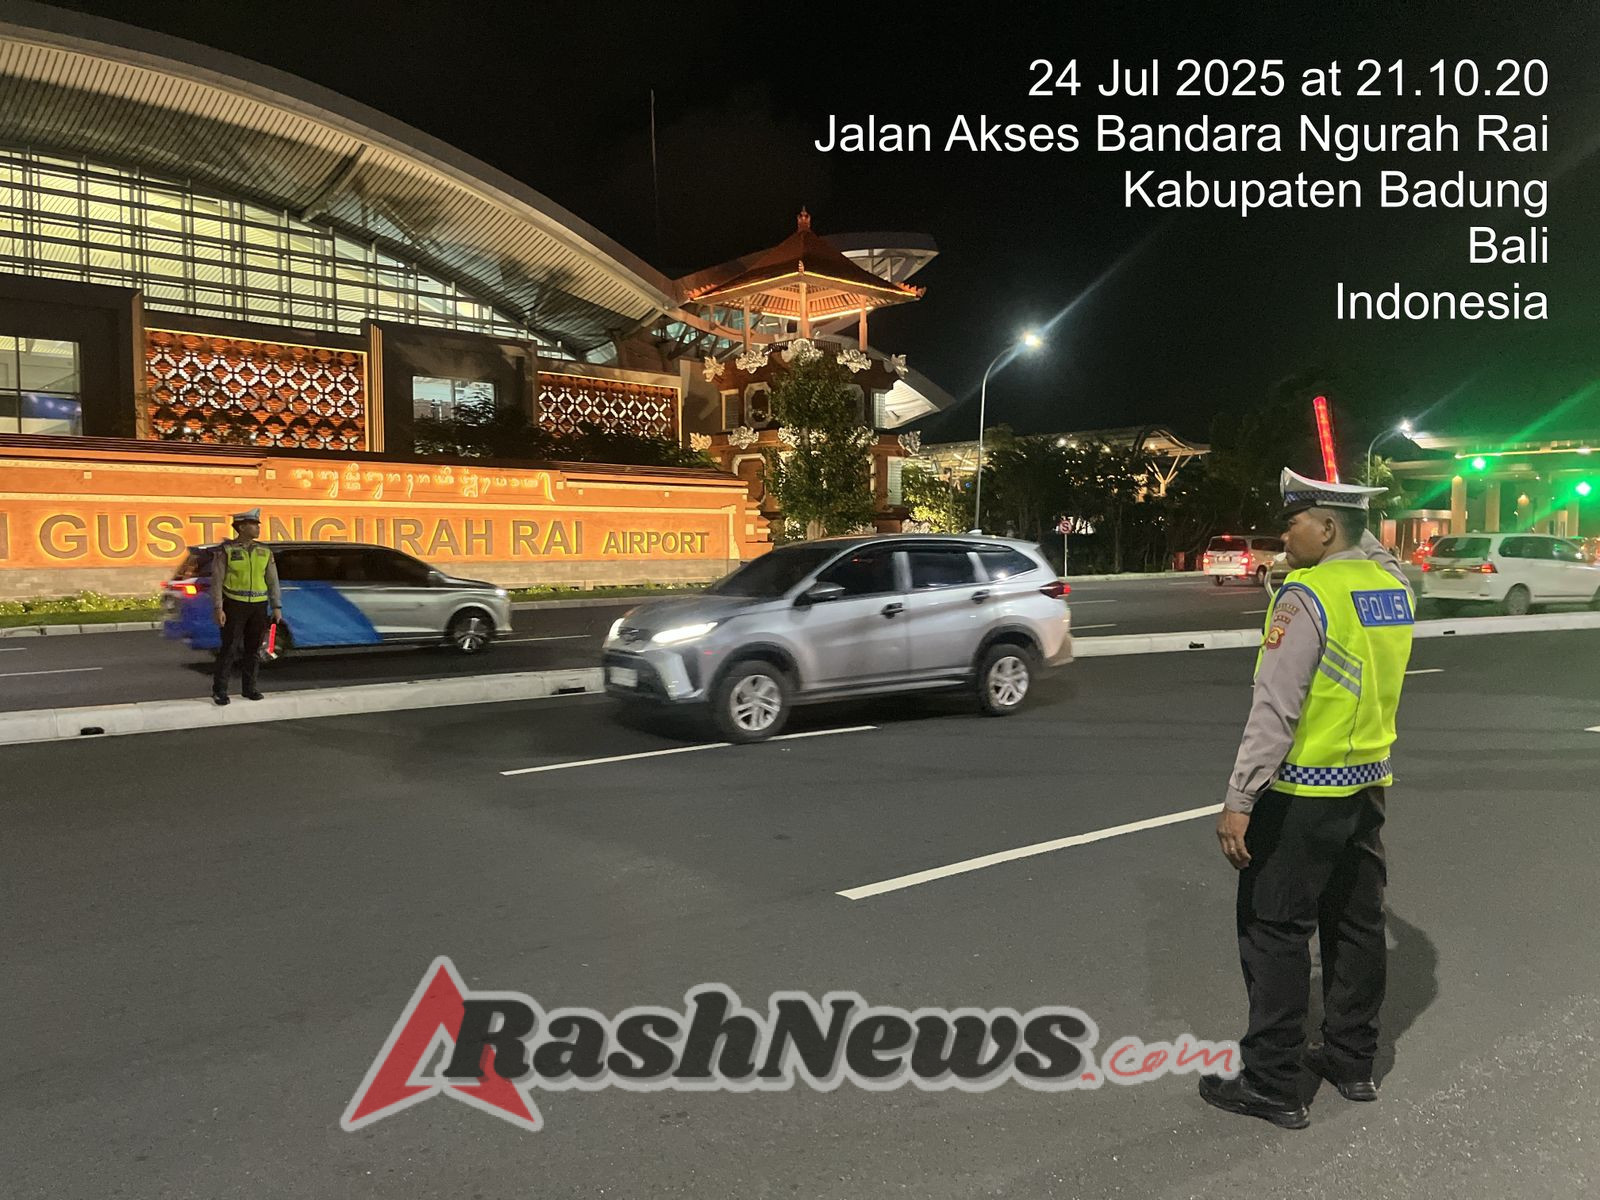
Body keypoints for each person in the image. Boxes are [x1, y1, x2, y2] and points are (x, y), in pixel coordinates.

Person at [1199, 468, 1415, 1130]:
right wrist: (1359, 522)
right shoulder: (1392, 587)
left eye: (1293, 523)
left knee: (1274, 932)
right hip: (1366, 788)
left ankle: (1273, 1083)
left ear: (1325, 527)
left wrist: (1240, 798)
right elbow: (1376, 550)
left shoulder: (1307, 595)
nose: (1284, 535)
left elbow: (1276, 707)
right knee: (1355, 925)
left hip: (1300, 793)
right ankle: (1352, 1061)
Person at [211, 508, 282, 705]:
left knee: (254, 649)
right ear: (241, 527)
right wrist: (218, 608)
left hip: (258, 606)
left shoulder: (264, 551)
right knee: (229, 649)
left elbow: (272, 580)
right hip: (234, 604)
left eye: (257, 525)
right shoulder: (226, 550)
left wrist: (276, 606)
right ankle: (220, 691)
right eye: (253, 524)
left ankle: (249, 688)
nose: (258, 528)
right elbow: (217, 581)